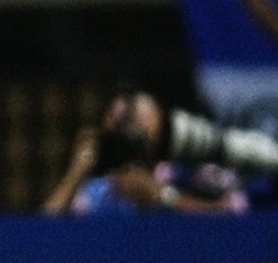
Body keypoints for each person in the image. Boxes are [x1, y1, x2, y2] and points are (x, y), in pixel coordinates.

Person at [42, 92, 248, 216]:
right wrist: (76, 173)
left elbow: (241, 216)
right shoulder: (100, 192)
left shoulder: (191, 171)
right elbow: (39, 238)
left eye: (137, 127)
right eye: (120, 130)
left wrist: (165, 197)